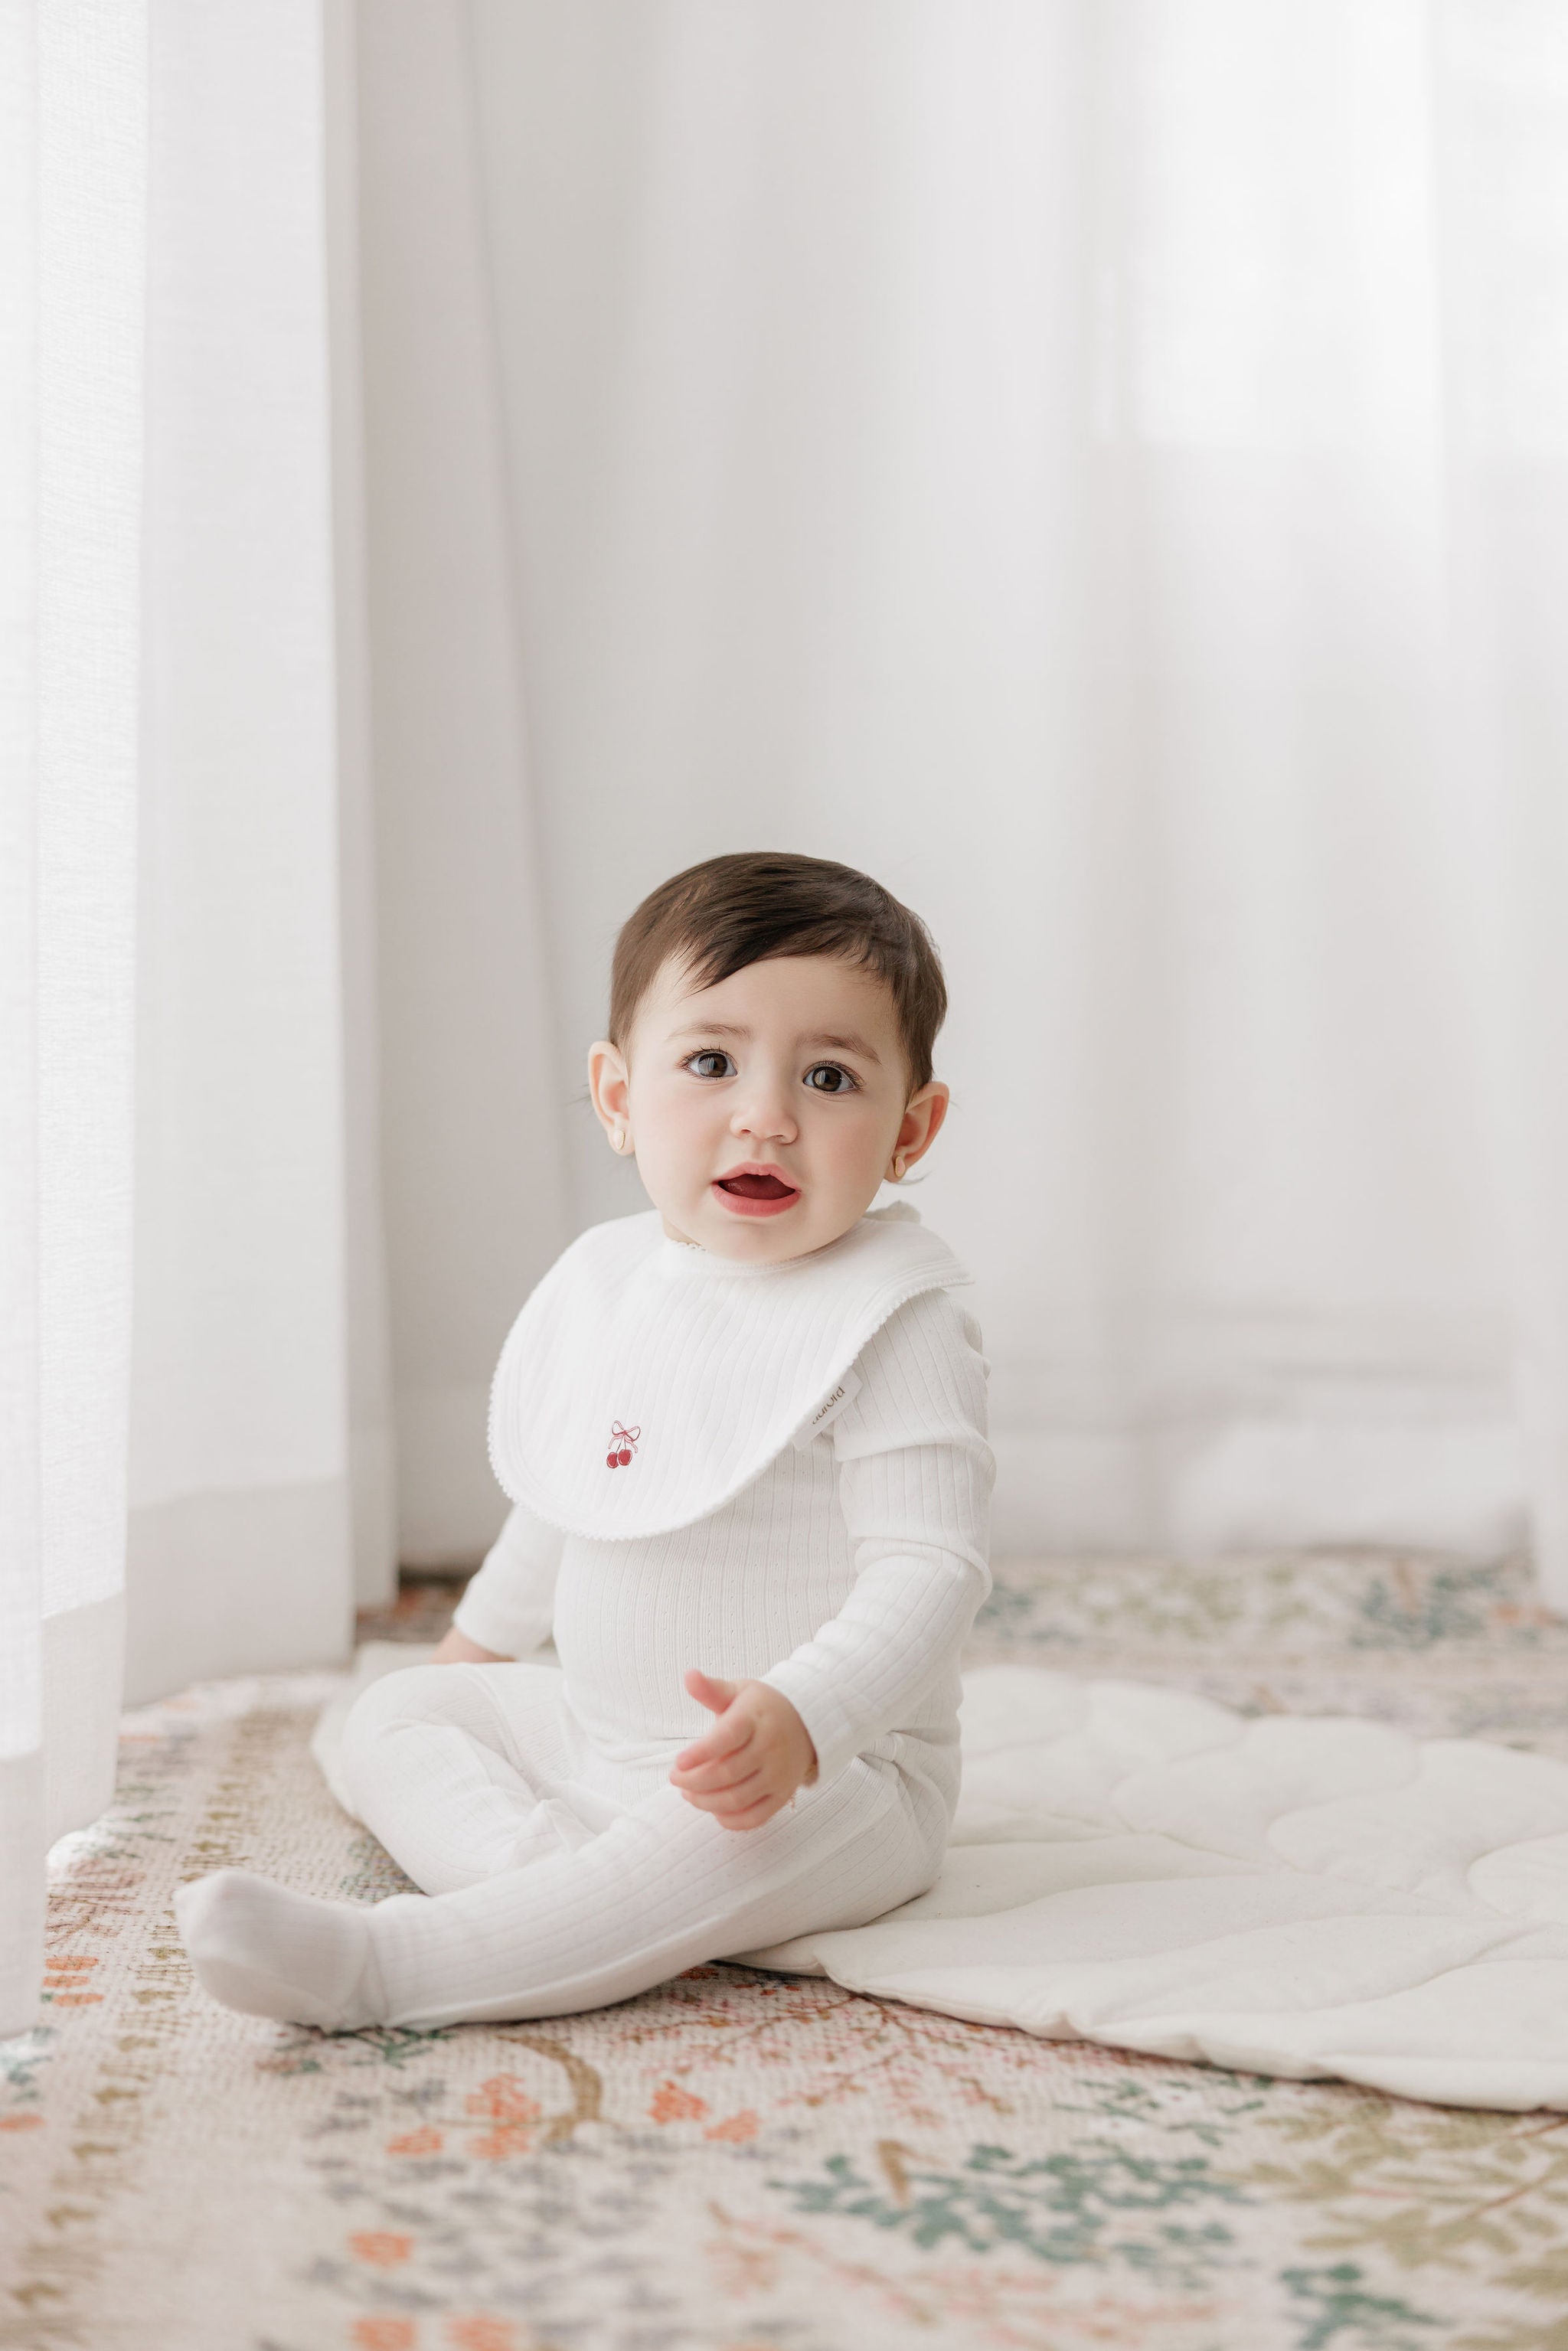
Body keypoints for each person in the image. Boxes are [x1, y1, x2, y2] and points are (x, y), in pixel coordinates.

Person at [176, 851, 994, 2031]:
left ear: (911, 1129)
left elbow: (930, 1572)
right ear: (617, 1097)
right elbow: (572, 1498)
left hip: (832, 1774)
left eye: (829, 1077)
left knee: (736, 1835)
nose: (766, 1115)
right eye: (711, 1063)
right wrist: (470, 1655)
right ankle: (562, 1898)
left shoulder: (895, 1318)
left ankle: (393, 1969)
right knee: (395, 1716)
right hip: (601, 1737)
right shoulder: (619, 1286)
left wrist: (808, 1715)